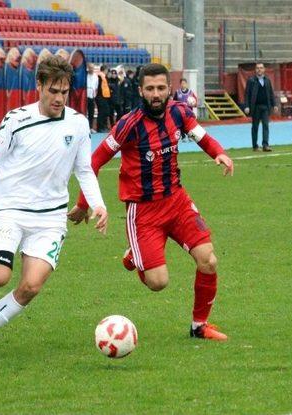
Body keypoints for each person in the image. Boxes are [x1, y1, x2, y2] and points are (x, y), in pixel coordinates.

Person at [0, 55, 108, 359]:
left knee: (31, 286)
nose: (59, 98)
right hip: (9, 210)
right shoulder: (17, 119)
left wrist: (98, 205)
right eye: (53, 91)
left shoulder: (77, 124)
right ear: (39, 86)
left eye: (64, 92)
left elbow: (84, 170)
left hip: (50, 219)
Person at [67, 63, 234, 341]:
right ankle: (136, 253)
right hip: (143, 212)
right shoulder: (128, 126)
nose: (156, 94)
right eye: (150, 89)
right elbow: (93, 162)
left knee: (208, 260)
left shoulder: (179, 112)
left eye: (160, 88)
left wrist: (219, 153)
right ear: (141, 91)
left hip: (177, 202)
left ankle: (199, 326)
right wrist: (84, 203)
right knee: (158, 283)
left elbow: (200, 136)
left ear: (169, 89)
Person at [245, 62, 277, 152]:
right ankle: (255, 146)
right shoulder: (251, 80)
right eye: (257, 68)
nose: (259, 69)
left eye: (261, 68)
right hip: (255, 107)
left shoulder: (267, 80)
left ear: (264, 69)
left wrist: (274, 104)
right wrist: (247, 106)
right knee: (255, 127)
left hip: (265, 107)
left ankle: (265, 145)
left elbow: (271, 93)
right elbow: (247, 94)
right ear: (255, 70)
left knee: (266, 125)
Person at [95, 64, 111, 132]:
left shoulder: (104, 77)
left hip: (104, 97)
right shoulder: (99, 76)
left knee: (105, 112)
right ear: (105, 70)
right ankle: (100, 127)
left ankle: (103, 126)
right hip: (100, 96)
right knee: (101, 112)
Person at [86, 63, 98, 132]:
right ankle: (85, 128)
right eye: (90, 68)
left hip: (92, 97)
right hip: (85, 97)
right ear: (88, 68)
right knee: (84, 113)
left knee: (91, 113)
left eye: (92, 68)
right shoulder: (85, 76)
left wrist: (94, 96)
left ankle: (90, 128)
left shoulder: (96, 77)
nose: (91, 69)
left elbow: (96, 87)